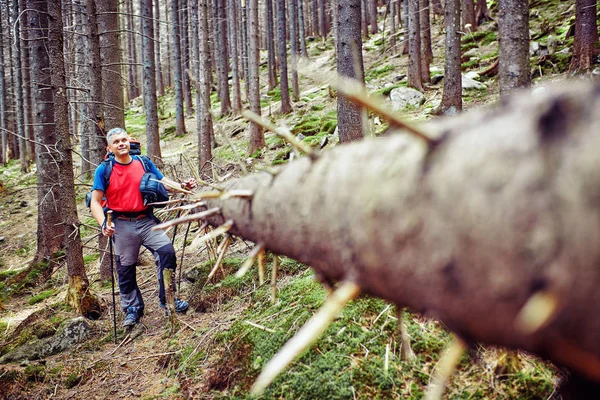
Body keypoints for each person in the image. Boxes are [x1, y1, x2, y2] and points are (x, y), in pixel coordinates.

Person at [90, 127, 197, 327]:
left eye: (124, 140)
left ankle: (168, 300)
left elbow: (163, 181)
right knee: (125, 268)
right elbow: (94, 201)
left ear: (129, 142)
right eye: (117, 142)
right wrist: (104, 223)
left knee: (166, 252)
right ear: (109, 147)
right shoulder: (104, 169)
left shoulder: (143, 162)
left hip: (147, 220)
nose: (121, 144)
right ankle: (132, 309)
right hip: (121, 224)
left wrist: (183, 187)